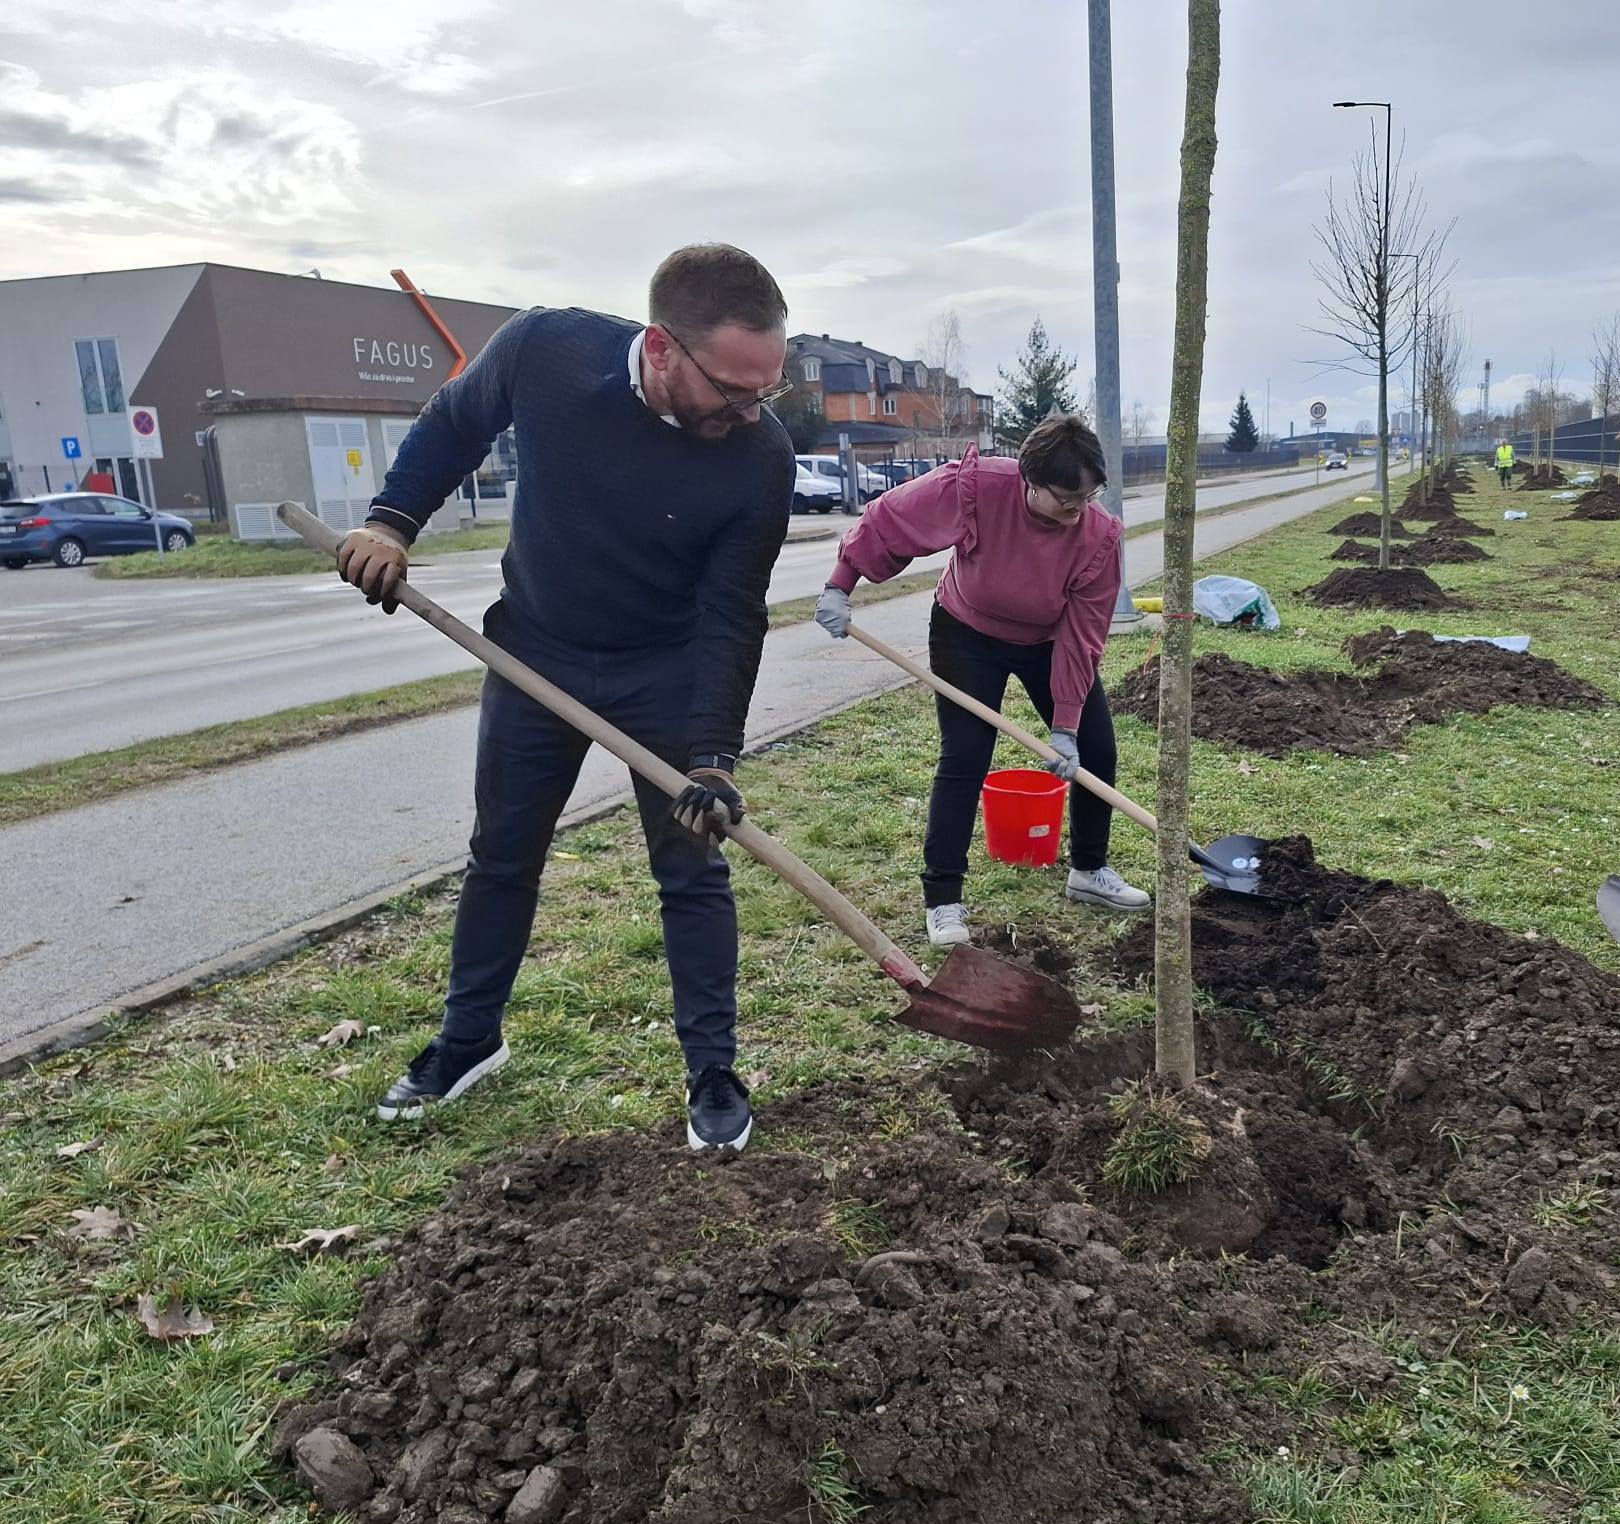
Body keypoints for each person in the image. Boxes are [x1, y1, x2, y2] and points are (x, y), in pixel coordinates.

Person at [332, 244, 796, 1149]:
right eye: (735, 390)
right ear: (661, 347)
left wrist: (711, 756)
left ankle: (712, 1072)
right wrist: (390, 522)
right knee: (501, 855)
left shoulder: (759, 456)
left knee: (692, 865)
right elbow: (455, 423)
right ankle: (470, 1038)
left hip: (663, 668)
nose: (751, 412)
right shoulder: (545, 351)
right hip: (535, 657)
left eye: (765, 390)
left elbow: (731, 612)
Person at [813, 415, 1151, 947]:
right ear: (1029, 481)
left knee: (1095, 749)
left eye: (1089, 497)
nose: (1078, 510)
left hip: (1047, 642)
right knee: (966, 756)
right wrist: (840, 584)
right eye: (1067, 498)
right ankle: (943, 899)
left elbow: (1083, 634)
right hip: (966, 633)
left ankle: (1089, 870)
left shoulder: (1098, 535)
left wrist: (1065, 725)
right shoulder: (978, 487)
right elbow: (889, 520)